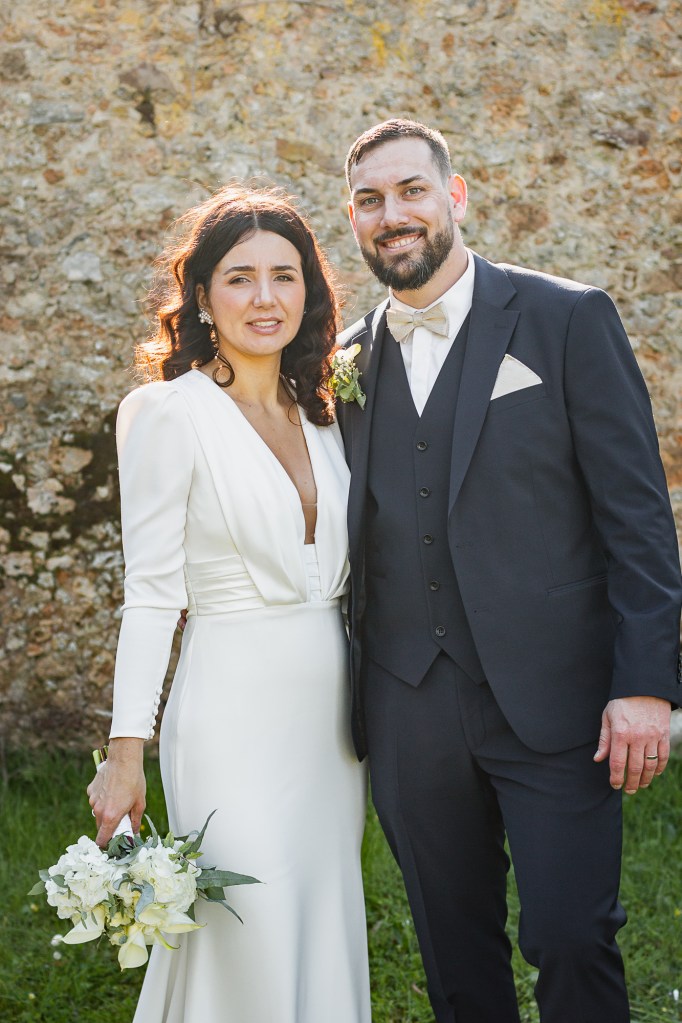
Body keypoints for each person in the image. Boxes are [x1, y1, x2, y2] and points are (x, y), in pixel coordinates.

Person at [337, 118, 682, 1023]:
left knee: (572, 934)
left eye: (412, 190)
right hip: (408, 702)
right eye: (370, 200)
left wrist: (646, 682)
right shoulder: (343, 362)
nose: (392, 214)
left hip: (556, 696)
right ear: (353, 218)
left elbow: (638, 516)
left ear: (454, 195)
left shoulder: (567, 318)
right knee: (454, 955)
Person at [87, 185, 371, 1023]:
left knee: (318, 911)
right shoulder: (167, 413)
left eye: (285, 276)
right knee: (247, 921)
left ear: (308, 292)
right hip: (230, 711)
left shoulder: (326, 412)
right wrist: (125, 752)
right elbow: (151, 595)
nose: (265, 297)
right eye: (240, 278)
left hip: (331, 725)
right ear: (203, 298)